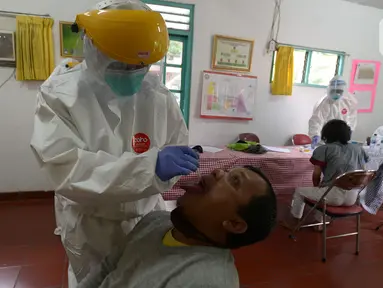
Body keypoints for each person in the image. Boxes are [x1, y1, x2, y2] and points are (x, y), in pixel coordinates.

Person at [30, 0, 199, 286]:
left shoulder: (159, 97)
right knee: (94, 282)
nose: (132, 73)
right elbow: (66, 170)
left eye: (140, 66)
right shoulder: (60, 95)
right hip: (92, 225)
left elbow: (174, 152)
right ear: (92, 48)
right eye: (121, 63)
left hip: (147, 219)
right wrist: (149, 167)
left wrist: (171, 169)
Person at [78, 166, 277, 288]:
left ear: (234, 224)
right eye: (227, 171)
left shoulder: (206, 281)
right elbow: (107, 269)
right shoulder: (155, 221)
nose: (217, 171)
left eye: (234, 180)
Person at [283, 120, 369, 230]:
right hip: (352, 197)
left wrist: (317, 187)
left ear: (326, 134)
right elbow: (364, 171)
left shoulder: (323, 149)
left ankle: (294, 222)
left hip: (332, 195)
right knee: (325, 191)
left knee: (300, 191)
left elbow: (316, 175)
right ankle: (320, 224)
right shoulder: (359, 149)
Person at [309, 76, 357, 148]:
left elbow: (352, 119)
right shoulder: (323, 103)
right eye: (333, 91)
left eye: (339, 91)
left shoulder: (349, 102)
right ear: (329, 90)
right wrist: (315, 135)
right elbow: (316, 121)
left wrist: (349, 132)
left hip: (342, 140)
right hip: (326, 140)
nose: (336, 94)